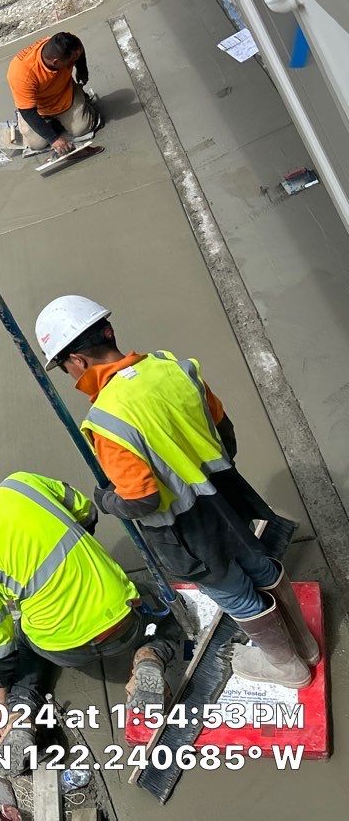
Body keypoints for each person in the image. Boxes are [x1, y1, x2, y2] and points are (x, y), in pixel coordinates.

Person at [36, 295, 318, 688]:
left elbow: (141, 499)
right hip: (228, 498)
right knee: (257, 563)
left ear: (78, 362)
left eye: (65, 366)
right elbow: (225, 432)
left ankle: (286, 666)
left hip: (186, 531)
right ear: (108, 331)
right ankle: (304, 644)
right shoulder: (174, 368)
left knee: (234, 591)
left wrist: (105, 500)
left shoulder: (106, 420)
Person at [0, 471, 176, 746]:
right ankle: (149, 657)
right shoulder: (21, 483)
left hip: (66, 649)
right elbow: (86, 510)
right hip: (122, 624)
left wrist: (0, 701)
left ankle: (21, 714)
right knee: (158, 600)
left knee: (23, 638)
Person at [7, 31, 102, 156]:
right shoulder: (21, 73)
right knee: (37, 144)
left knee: (82, 128)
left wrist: (82, 70)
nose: (74, 61)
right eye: (71, 61)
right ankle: (50, 123)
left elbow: (79, 48)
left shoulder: (68, 45)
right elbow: (28, 112)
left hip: (65, 95)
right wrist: (54, 139)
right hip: (38, 109)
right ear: (56, 62)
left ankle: (81, 100)